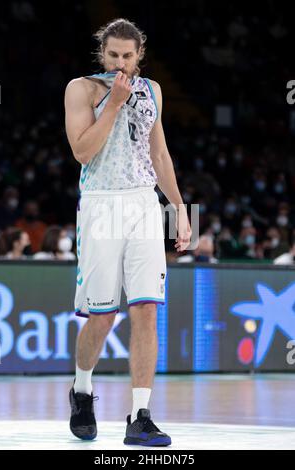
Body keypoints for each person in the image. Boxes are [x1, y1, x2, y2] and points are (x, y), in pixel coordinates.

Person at [64, 18, 191, 446]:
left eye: (128, 55)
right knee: (102, 316)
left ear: (139, 55)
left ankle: (140, 415)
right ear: (103, 53)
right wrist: (114, 104)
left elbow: (159, 154)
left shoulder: (153, 90)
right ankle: (82, 390)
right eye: (113, 54)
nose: (120, 62)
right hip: (101, 203)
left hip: (142, 204)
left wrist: (180, 209)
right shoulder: (81, 88)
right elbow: (82, 152)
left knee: (146, 309)